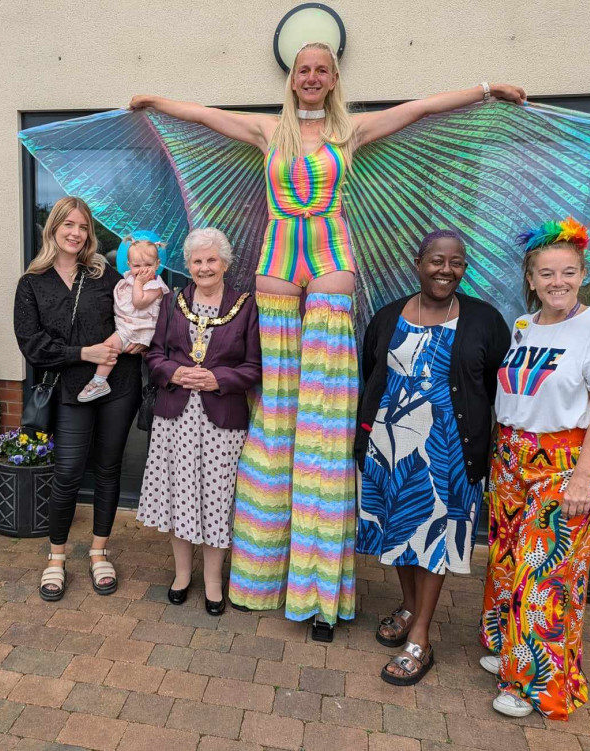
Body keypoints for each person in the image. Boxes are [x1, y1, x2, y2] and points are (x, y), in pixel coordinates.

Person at [131, 42, 525, 640]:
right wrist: (155, 101)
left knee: (323, 419)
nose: (312, 76)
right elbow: (204, 115)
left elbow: (419, 109)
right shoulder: (268, 132)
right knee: (277, 411)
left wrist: (485, 90)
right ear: (292, 80)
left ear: (334, 78)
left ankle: (317, 582)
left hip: (332, 256)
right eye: (303, 70)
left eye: (321, 69)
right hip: (278, 256)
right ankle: (262, 572)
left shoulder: (351, 130)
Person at [479, 217, 590, 720]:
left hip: (564, 465)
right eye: (546, 273)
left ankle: (533, 683)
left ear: (582, 274)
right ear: (531, 279)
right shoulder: (524, 327)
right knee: (504, 562)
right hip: (511, 459)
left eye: (567, 271)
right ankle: (508, 647)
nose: (556, 281)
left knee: (543, 573)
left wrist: (584, 477)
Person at [354, 230, 510, 685]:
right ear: (418, 262)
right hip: (391, 446)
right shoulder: (388, 316)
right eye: (437, 261)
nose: (446, 270)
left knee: (435, 540)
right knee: (400, 534)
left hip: (450, 450)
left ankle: (420, 636)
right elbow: (373, 373)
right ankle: (407, 605)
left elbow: (501, 384)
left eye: (457, 262)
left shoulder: (484, 320)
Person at [14, 196, 143, 601]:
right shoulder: (31, 284)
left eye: (83, 226)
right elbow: (32, 346)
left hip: (118, 386)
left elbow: (134, 319)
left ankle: (99, 551)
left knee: (108, 468)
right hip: (71, 391)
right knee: (68, 472)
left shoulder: (105, 276)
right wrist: (83, 353)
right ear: (53, 228)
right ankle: (56, 557)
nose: (75, 232)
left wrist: (135, 342)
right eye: (68, 224)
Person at [137, 228, 261, 616]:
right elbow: (154, 355)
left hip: (222, 422)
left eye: (211, 260)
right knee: (178, 496)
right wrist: (173, 372)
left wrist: (218, 378)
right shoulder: (172, 302)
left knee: (217, 500)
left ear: (225, 263)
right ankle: (181, 575)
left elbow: (255, 367)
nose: (204, 267)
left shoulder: (246, 306)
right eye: (197, 261)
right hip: (175, 418)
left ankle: (211, 582)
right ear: (187, 265)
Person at [78, 235, 168, 402]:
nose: (142, 270)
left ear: (157, 264)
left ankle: (99, 382)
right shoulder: (128, 279)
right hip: (127, 326)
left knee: (109, 347)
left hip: (139, 330)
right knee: (111, 348)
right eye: (137, 266)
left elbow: (139, 302)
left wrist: (139, 283)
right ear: (129, 265)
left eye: (148, 265)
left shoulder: (156, 286)